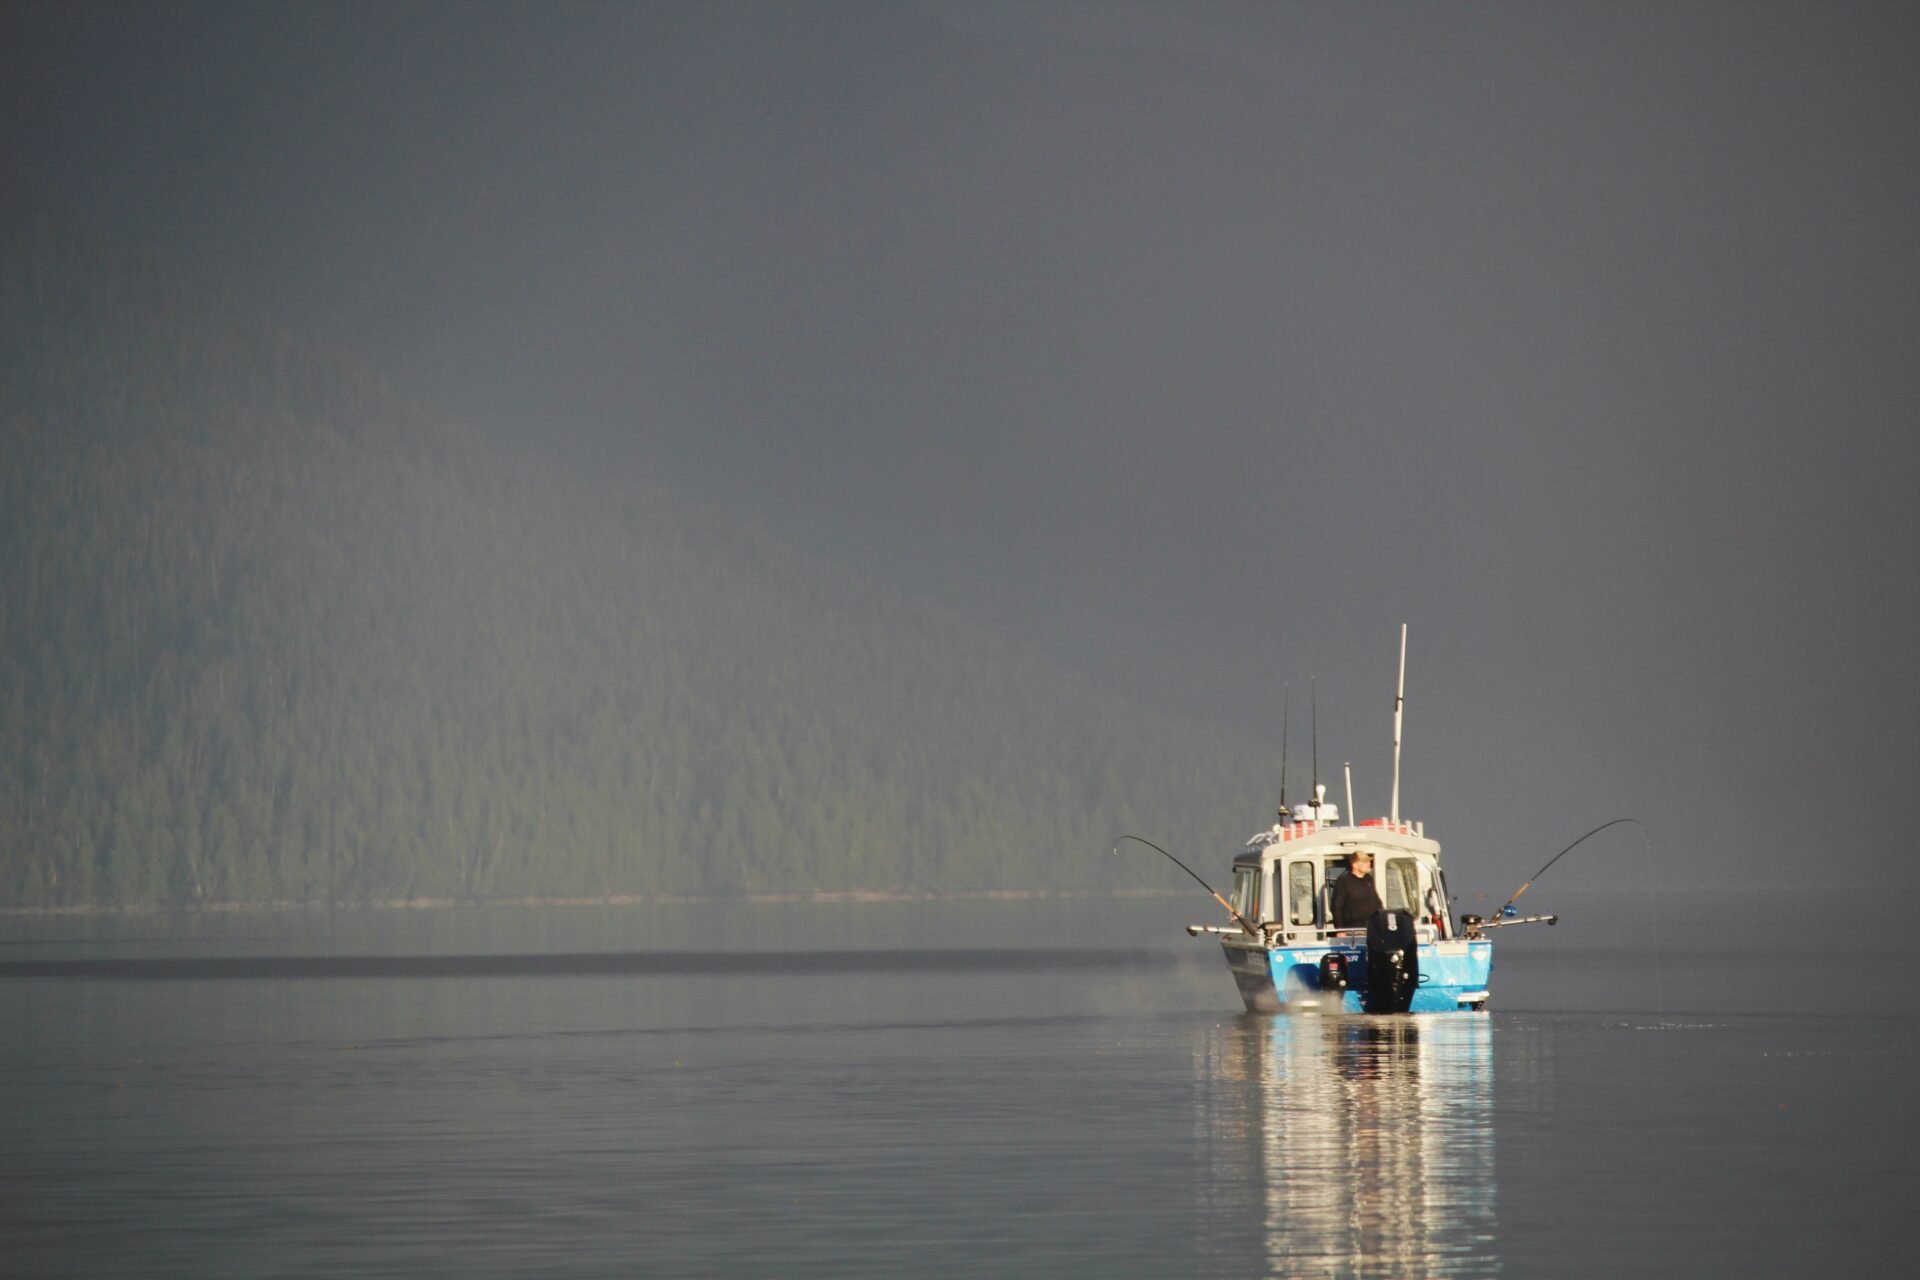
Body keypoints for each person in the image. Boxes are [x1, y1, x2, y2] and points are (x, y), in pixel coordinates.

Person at [1330, 850, 1383, 928]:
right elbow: (1336, 907)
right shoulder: (1343, 881)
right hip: (1353, 930)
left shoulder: (1369, 879)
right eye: (1365, 862)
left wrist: (1382, 919)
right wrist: (1340, 929)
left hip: (1373, 927)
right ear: (1355, 865)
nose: (1369, 863)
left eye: (1368, 861)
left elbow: (1377, 902)